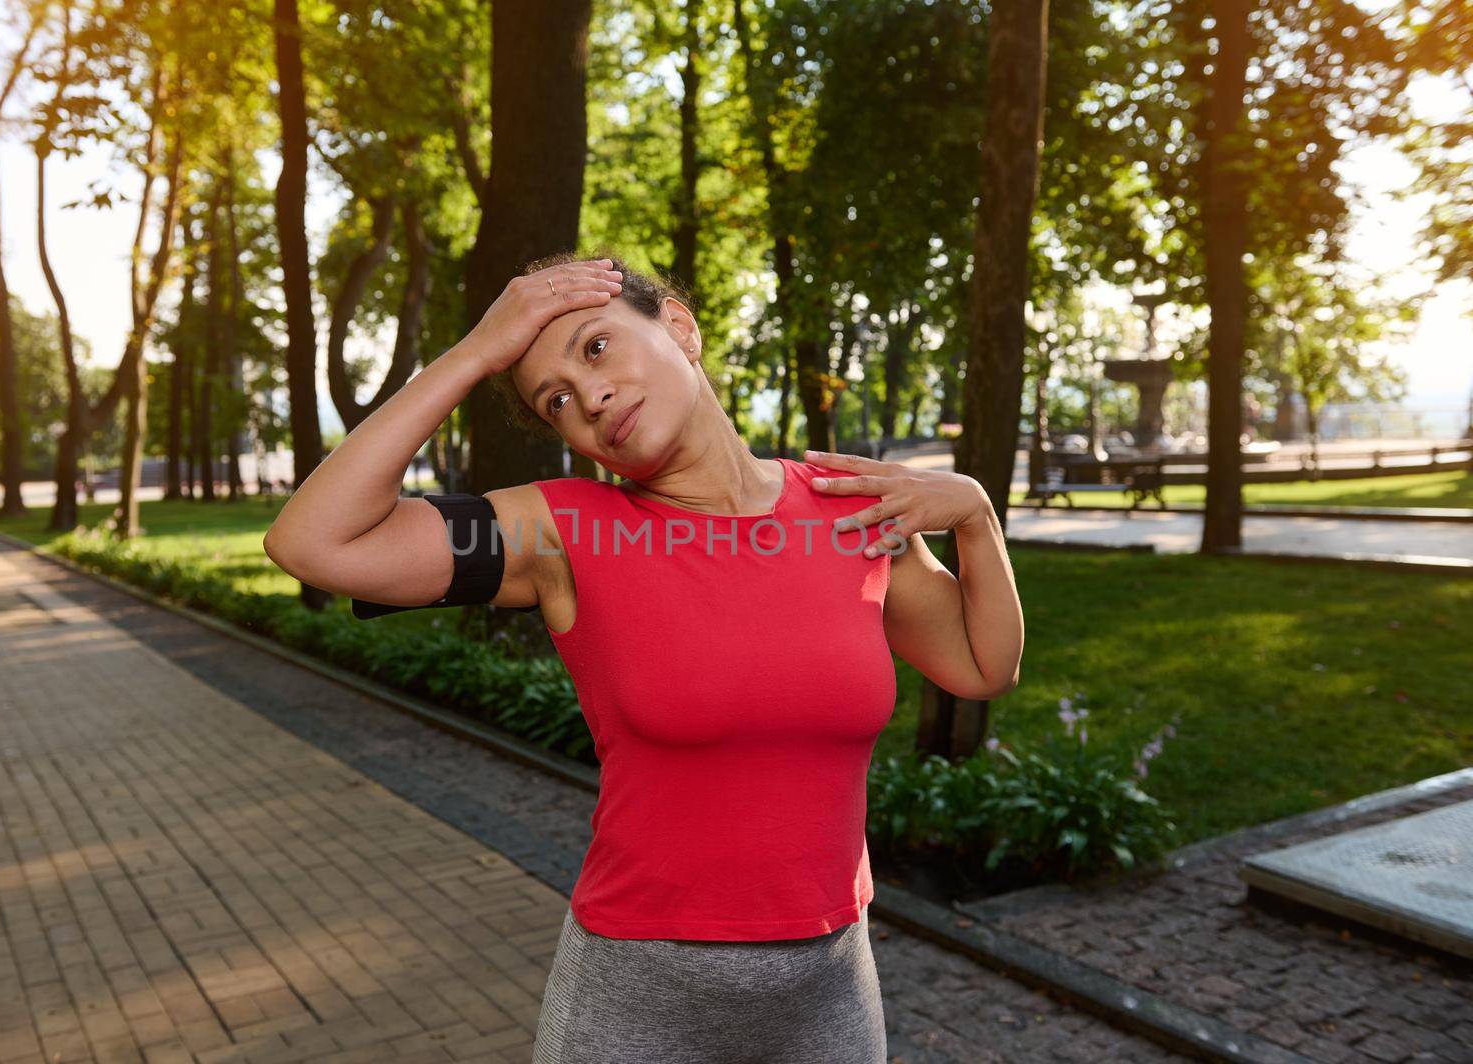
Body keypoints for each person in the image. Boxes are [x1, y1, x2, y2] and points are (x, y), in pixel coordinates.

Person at [263, 251, 1025, 1063]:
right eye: (554, 400)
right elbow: (311, 541)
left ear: (680, 328)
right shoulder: (561, 532)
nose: (587, 396)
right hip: (638, 1002)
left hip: (830, 990)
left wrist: (976, 517)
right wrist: (479, 351)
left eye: (595, 348)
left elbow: (984, 664)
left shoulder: (845, 507)